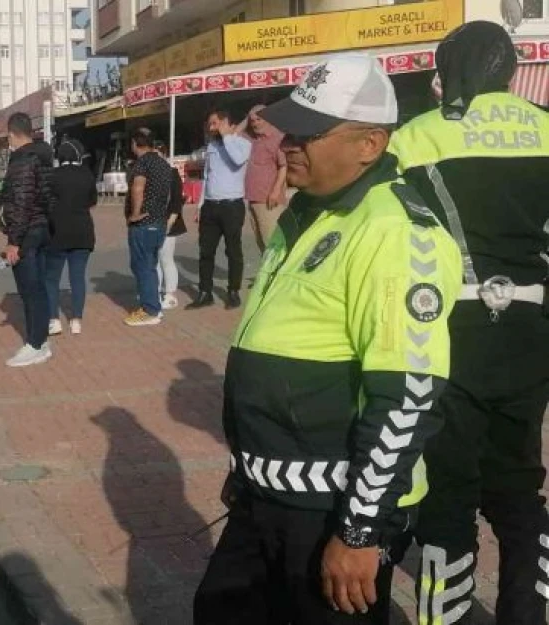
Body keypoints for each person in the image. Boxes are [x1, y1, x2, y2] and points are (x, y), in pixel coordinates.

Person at [193, 53, 463, 624]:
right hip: (269, 494)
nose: (291, 142)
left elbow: (408, 395)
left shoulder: (394, 233)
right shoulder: (307, 214)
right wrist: (249, 467)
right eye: (292, 126)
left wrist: (360, 530)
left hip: (334, 508)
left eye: (312, 131)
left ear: (370, 144)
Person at [386, 22, 549, 625]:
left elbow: (391, 234)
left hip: (445, 327)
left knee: (448, 485)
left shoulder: (416, 136)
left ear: (445, 71)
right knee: (520, 481)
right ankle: (525, 613)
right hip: (533, 328)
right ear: (510, 71)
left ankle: (444, 617)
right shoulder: (547, 127)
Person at [0, 112, 54, 367]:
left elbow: (21, 202)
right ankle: (40, 341)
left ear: (12, 134)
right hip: (41, 228)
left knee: (31, 291)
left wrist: (14, 241)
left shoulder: (22, 160)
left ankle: (35, 344)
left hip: (27, 234)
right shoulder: (44, 157)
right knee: (39, 289)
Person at [186, 108, 251, 310]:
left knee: (233, 250)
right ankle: (205, 292)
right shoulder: (212, 147)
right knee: (206, 251)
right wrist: (200, 205)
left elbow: (237, 160)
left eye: (216, 123)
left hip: (232, 205)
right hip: (211, 206)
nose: (211, 127)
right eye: (210, 124)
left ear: (229, 124)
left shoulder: (243, 144)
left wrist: (227, 137)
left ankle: (233, 291)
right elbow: (207, 177)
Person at [45, 139, 97, 337]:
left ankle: (54, 320)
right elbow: (92, 202)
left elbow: (46, 203)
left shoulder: (53, 176)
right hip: (83, 232)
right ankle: (76, 321)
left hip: (57, 232)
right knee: (77, 278)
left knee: (51, 278)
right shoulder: (87, 175)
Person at [124, 128, 173, 326]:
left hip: (143, 223)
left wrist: (135, 214)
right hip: (158, 222)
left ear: (135, 143)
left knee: (142, 266)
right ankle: (153, 304)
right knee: (150, 266)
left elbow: (138, 187)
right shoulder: (163, 163)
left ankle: (150, 310)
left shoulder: (142, 163)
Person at [244, 104, 288, 254]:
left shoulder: (277, 138)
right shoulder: (253, 139)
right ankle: (267, 275)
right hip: (253, 199)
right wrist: (248, 117)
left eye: (258, 119)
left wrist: (275, 192)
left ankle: (277, 275)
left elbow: (283, 166)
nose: (255, 123)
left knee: (272, 243)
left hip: (269, 200)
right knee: (261, 243)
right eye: (252, 120)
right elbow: (233, 134)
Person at [153, 138, 187, 310]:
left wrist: (170, 221)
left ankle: (171, 294)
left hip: (168, 222)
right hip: (152, 222)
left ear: (164, 155)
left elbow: (176, 200)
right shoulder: (148, 174)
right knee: (155, 261)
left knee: (166, 258)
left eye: (158, 154)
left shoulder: (172, 173)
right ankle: (156, 292)